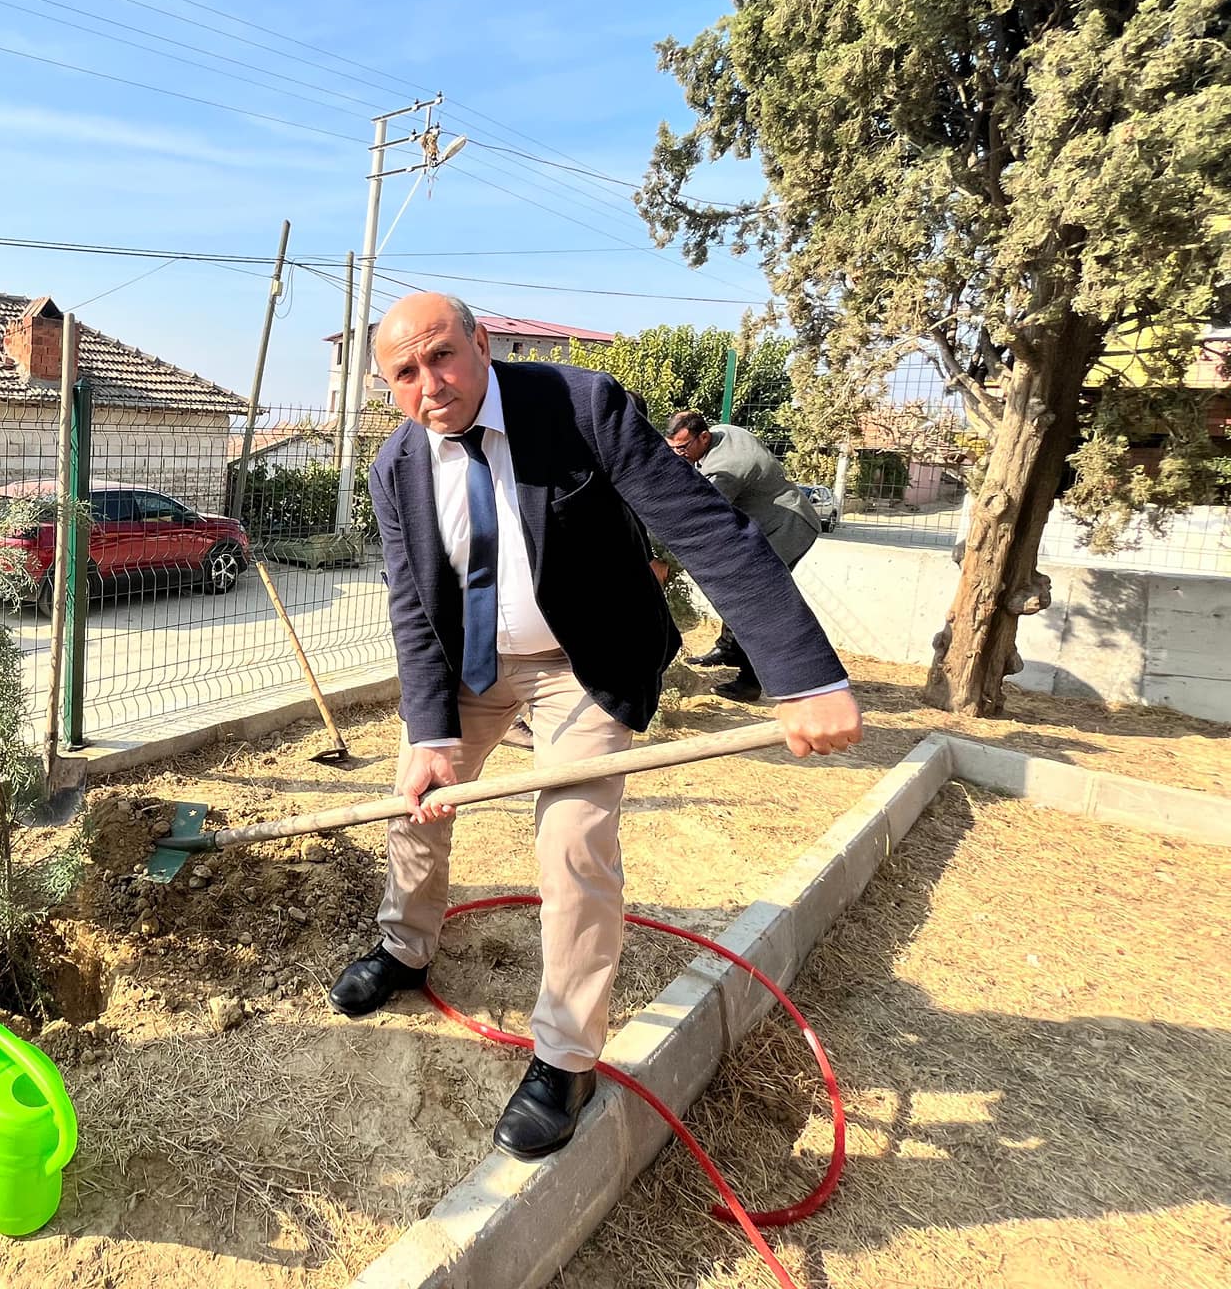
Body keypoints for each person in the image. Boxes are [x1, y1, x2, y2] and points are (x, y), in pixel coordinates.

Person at [329, 294, 860, 1162]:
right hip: (472, 667)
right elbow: (412, 608)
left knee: (573, 840)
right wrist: (428, 735)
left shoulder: (580, 407)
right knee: (413, 803)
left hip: (579, 664)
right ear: (387, 387)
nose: (433, 384)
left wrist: (803, 675)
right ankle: (405, 947)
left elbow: (706, 529)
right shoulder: (396, 470)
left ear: (482, 343)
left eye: (443, 357)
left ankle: (567, 1056)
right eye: (405, 373)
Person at [663, 411, 822, 701]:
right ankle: (729, 648)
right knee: (735, 584)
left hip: (788, 528)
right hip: (765, 522)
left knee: (756, 600)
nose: (678, 455)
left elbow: (699, 519)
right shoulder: (722, 432)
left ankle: (750, 681)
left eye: (683, 449)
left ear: (703, 437)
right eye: (672, 448)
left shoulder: (726, 471)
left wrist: (666, 561)